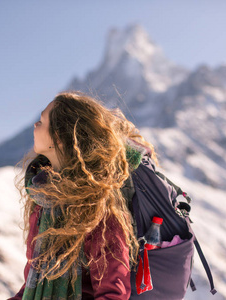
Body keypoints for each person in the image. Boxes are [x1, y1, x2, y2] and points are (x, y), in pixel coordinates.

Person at [9, 91, 157, 300]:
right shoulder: (41, 202)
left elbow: (113, 293)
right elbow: (32, 284)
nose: (35, 126)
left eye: (42, 122)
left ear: (59, 137)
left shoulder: (99, 210)